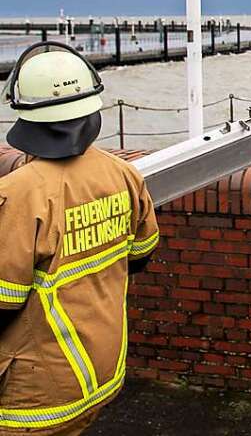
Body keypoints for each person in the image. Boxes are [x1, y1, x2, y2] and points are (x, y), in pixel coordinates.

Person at [0, 43, 159, 434]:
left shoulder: (20, 193)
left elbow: (5, 299)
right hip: (101, 371)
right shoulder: (123, 173)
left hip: (36, 396)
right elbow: (140, 256)